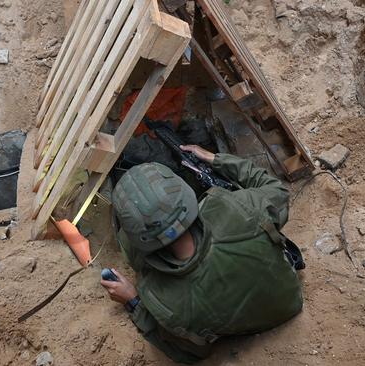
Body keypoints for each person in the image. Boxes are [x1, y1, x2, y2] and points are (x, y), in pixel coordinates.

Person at [101, 145, 304, 364]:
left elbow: (189, 354)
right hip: (289, 303)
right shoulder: (241, 206)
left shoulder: (160, 298)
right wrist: (215, 159)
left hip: (240, 330)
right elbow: (276, 189)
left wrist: (133, 301)